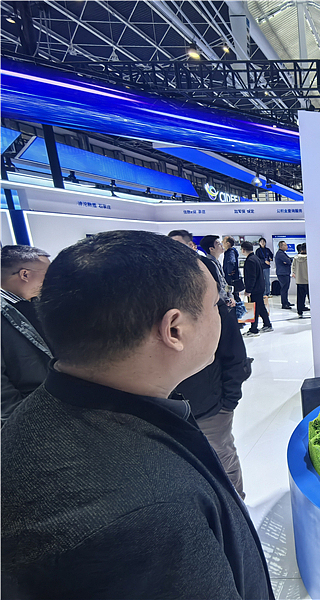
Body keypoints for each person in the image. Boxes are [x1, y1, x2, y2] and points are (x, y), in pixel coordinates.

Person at [1, 231, 274, 599]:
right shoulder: (153, 512)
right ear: (174, 329)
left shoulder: (36, 419)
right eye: (216, 304)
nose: (221, 313)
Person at [171, 234, 251, 500]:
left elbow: (235, 358)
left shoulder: (217, 313)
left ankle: (237, 507)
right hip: (171, 410)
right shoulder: (154, 314)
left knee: (223, 459)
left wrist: (228, 402)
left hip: (211, 407)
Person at [1, 245, 53, 424]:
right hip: (27, 412)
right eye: (48, 273)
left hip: (55, 401)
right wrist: (18, 420)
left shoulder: (39, 303)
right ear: (25, 274)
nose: (52, 280)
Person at [241, 241, 273, 336]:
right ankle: (267, 324)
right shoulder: (256, 258)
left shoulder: (250, 260)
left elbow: (252, 277)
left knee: (255, 308)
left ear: (243, 250)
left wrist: (248, 290)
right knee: (260, 307)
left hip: (255, 289)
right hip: (260, 287)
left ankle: (254, 329)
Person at [223, 236, 244, 303]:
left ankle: (238, 308)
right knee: (235, 295)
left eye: (224, 242)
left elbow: (231, 262)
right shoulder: (232, 251)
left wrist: (229, 272)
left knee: (233, 295)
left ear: (228, 243)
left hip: (231, 279)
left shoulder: (230, 252)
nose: (222, 243)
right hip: (233, 278)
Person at [292, 242, 310, 318]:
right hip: (308, 280)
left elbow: (293, 268)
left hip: (299, 280)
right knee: (311, 297)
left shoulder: (295, 258)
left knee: (300, 297)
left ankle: (300, 311)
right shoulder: (309, 258)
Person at [275, 240, 293, 309]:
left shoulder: (282, 253)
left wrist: (288, 260)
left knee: (285, 288)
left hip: (284, 273)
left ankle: (286, 302)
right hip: (283, 273)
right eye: (285, 245)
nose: (287, 246)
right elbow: (288, 261)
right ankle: (284, 304)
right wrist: (288, 260)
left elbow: (289, 260)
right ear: (281, 246)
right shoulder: (280, 254)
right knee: (284, 289)